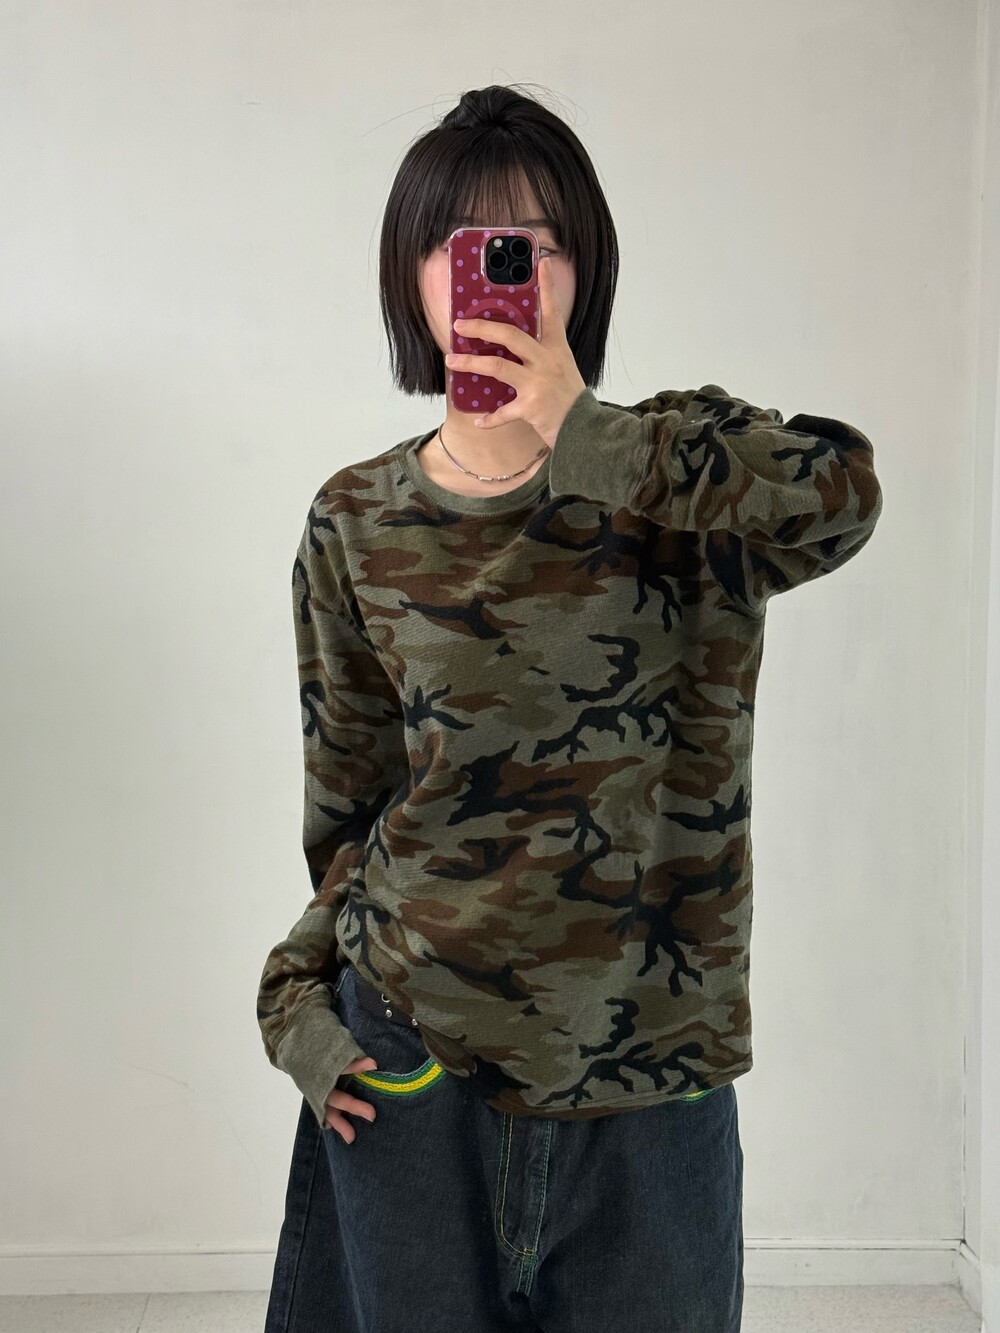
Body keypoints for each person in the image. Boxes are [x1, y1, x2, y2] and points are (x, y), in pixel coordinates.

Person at [257, 83, 883, 1333]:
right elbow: (353, 815)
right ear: (412, 275)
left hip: (650, 1087)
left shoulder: (678, 472)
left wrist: (585, 433)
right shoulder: (354, 522)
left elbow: (842, 496)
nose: (497, 275)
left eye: (529, 245)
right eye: (461, 244)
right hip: (412, 1072)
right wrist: (301, 1008)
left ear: (579, 270)